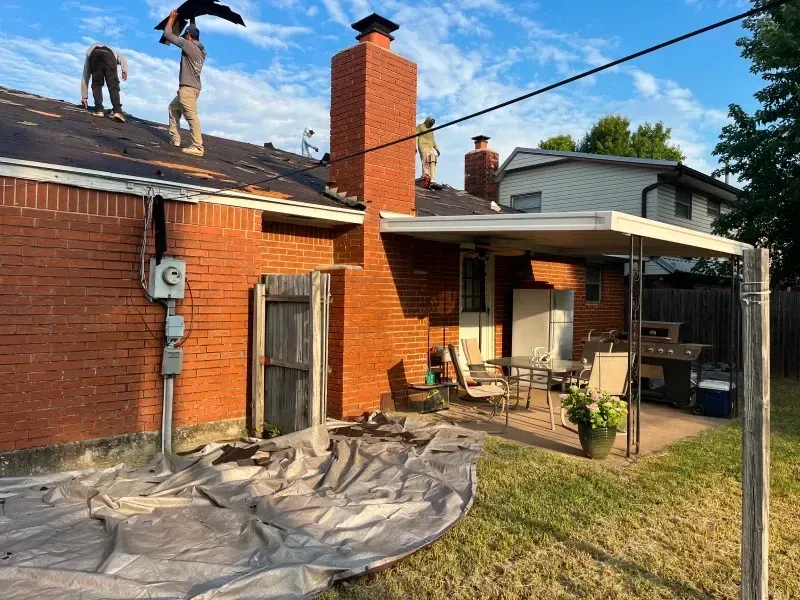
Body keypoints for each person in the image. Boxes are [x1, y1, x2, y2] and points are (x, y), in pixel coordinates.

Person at [163, 9, 207, 157]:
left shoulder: (188, 45)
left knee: (191, 116)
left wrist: (171, 18)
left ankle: (198, 146)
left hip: (187, 89)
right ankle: (175, 139)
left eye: (186, 35)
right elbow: (193, 31)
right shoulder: (201, 50)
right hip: (193, 88)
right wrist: (192, 14)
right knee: (173, 108)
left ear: (188, 36)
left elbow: (168, 35)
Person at [80, 43, 128, 123]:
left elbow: (85, 75)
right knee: (113, 85)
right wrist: (124, 69)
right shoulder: (114, 53)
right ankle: (118, 111)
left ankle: (99, 110)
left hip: (94, 54)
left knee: (97, 83)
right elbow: (122, 57)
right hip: (110, 55)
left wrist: (84, 97)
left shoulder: (90, 53)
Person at [416, 116, 440, 188]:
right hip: (423, 146)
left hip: (430, 147)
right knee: (426, 161)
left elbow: (433, 140)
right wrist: (414, 146)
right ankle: (426, 176)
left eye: (432, 124)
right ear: (427, 121)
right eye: (430, 123)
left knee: (433, 161)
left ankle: (432, 180)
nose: (431, 125)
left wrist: (437, 149)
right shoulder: (420, 126)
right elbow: (416, 136)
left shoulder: (431, 130)